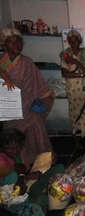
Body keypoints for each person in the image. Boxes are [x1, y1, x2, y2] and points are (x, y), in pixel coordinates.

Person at [0, 28, 54, 169]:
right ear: (4, 45)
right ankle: (19, 170)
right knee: (12, 142)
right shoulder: (1, 63)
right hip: (9, 112)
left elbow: (37, 86)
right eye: (12, 43)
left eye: (19, 42)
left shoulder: (27, 63)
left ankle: (42, 167)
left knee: (37, 131)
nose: (17, 46)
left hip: (29, 108)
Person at [0, 128, 64, 216]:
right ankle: (40, 198)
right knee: (37, 203)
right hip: (12, 197)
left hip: (27, 184)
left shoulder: (18, 155)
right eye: (10, 149)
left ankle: (49, 195)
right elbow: (11, 175)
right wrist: (25, 177)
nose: (15, 151)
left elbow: (21, 167)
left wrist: (46, 162)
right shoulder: (1, 160)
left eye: (17, 147)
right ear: (2, 148)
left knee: (59, 168)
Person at [60, 30, 85, 139]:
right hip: (73, 90)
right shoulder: (65, 54)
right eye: (71, 42)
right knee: (75, 113)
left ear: (79, 41)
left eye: (75, 41)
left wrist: (75, 62)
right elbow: (64, 73)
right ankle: (77, 138)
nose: (73, 44)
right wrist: (81, 75)